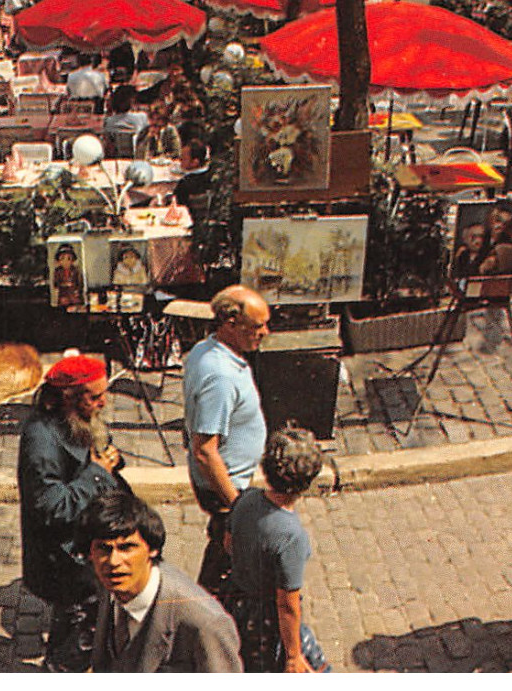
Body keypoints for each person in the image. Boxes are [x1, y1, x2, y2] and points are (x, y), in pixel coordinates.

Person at [16, 354, 127, 672]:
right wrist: (96, 473)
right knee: (80, 632)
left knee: (75, 621)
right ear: (68, 396)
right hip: (66, 559)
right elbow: (53, 507)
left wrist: (110, 464)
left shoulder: (76, 418)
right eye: (95, 397)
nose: (103, 403)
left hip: (83, 548)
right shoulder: (41, 440)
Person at [83, 492, 242, 673]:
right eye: (103, 549)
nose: (114, 561)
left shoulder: (204, 622)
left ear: (152, 549)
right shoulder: (111, 587)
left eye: (127, 548)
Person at [183, 284, 271, 598]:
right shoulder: (219, 375)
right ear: (229, 324)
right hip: (225, 486)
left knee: (224, 550)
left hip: (230, 482)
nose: (265, 332)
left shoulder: (208, 349)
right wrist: (237, 508)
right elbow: (205, 450)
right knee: (229, 557)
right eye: (257, 326)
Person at [225, 426, 331, 672]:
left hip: (238, 605)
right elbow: (287, 605)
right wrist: (293, 656)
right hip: (267, 622)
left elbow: (229, 544)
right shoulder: (290, 536)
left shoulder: (246, 498)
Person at [173, 138, 211, 223]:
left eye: (183, 159)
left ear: (195, 162)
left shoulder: (185, 184)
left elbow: (176, 207)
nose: (180, 162)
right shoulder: (210, 177)